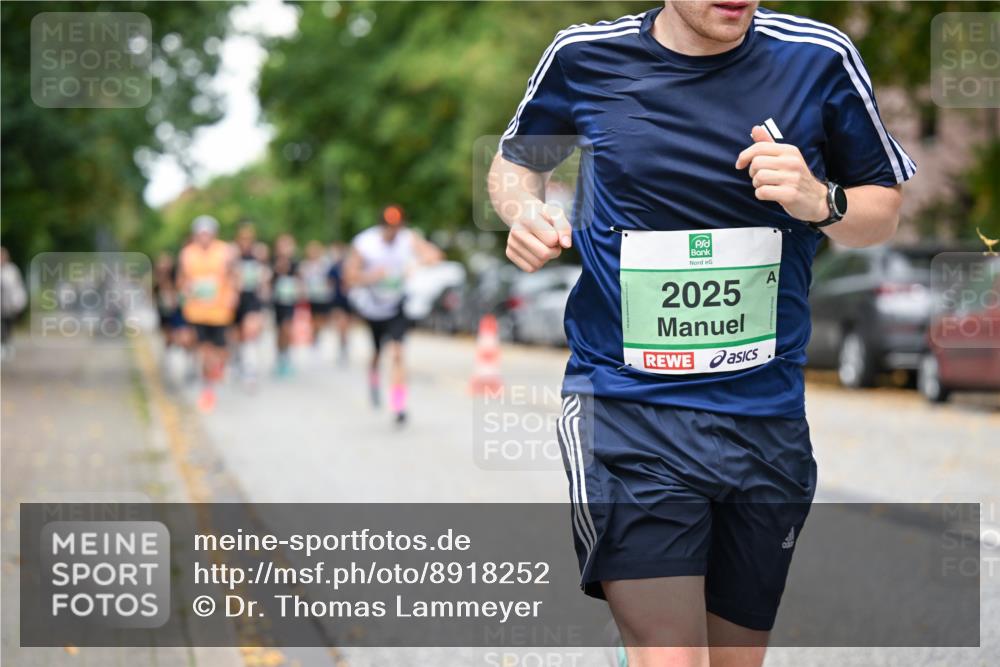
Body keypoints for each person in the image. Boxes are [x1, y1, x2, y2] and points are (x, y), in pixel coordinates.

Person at [489, 2, 913, 666]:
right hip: (628, 408)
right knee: (672, 654)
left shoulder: (819, 57)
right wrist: (525, 212)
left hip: (765, 419)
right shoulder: (584, 57)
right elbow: (516, 165)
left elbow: (881, 209)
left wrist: (820, 200)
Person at [344, 205, 442, 424]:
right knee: (377, 352)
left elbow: (434, 255)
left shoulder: (408, 238)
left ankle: (399, 405)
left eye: (397, 227)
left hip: (396, 306)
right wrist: (372, 276)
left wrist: (417, 263)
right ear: (382, 226)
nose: (394, 231)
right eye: (389, 227)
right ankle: (374, 378)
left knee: (398, 353)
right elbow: (349, 276)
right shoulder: (364, 243)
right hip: (373, 307)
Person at [177, 216, 238, 412]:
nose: (204, 237)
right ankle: (208, 390)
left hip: (220, 311)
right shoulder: (187, 253)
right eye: (200, 234)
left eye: (207, 233)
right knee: (205, 351)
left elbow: (234, 275)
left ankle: (218, 370)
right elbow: (182, 279)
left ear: (214, 234)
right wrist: (185, 290)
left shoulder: (225, 251)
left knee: (220, 351)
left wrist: (234, 294)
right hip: (197, 311)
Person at [232, 222, 271, 388]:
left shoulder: (259, 256)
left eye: (249, 238)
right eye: (243, 238)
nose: (246, 242)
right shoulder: (231, 255)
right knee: (237, 335)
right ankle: (238, 361)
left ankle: (250, 370)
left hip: (252, 299)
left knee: (250, 333)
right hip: (235, 301)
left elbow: (265, 278)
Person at [270, 234, 302, 377]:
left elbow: (299, 279)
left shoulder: (295, 263)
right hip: (278, 301)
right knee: (279, 329)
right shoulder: (273, 262)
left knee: (287, 328)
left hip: (290, 300)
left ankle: (286, 354)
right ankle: (280, 355)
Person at [299, 240, 335, 353]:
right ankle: (314, 336)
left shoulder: (325, 264)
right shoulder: (305, 265)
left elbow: (330, 279)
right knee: (313, 318)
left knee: (322, 318)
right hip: (312, 296)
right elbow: (302, 280)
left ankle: (318, 335)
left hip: (323, 296)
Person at [327, 241, 354, 366]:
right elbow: (329, 282)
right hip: (338, 300)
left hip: (349, 300)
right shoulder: (334, 267)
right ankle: (342, 347)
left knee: (347, 326)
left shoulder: (350, 266)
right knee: (341, 325)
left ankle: (344, 345)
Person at [0, 247, 27, 361]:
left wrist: (19, 302)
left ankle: (6, 346)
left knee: (7, 326)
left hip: (8, 305)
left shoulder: (12, 270)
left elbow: (17, 287)